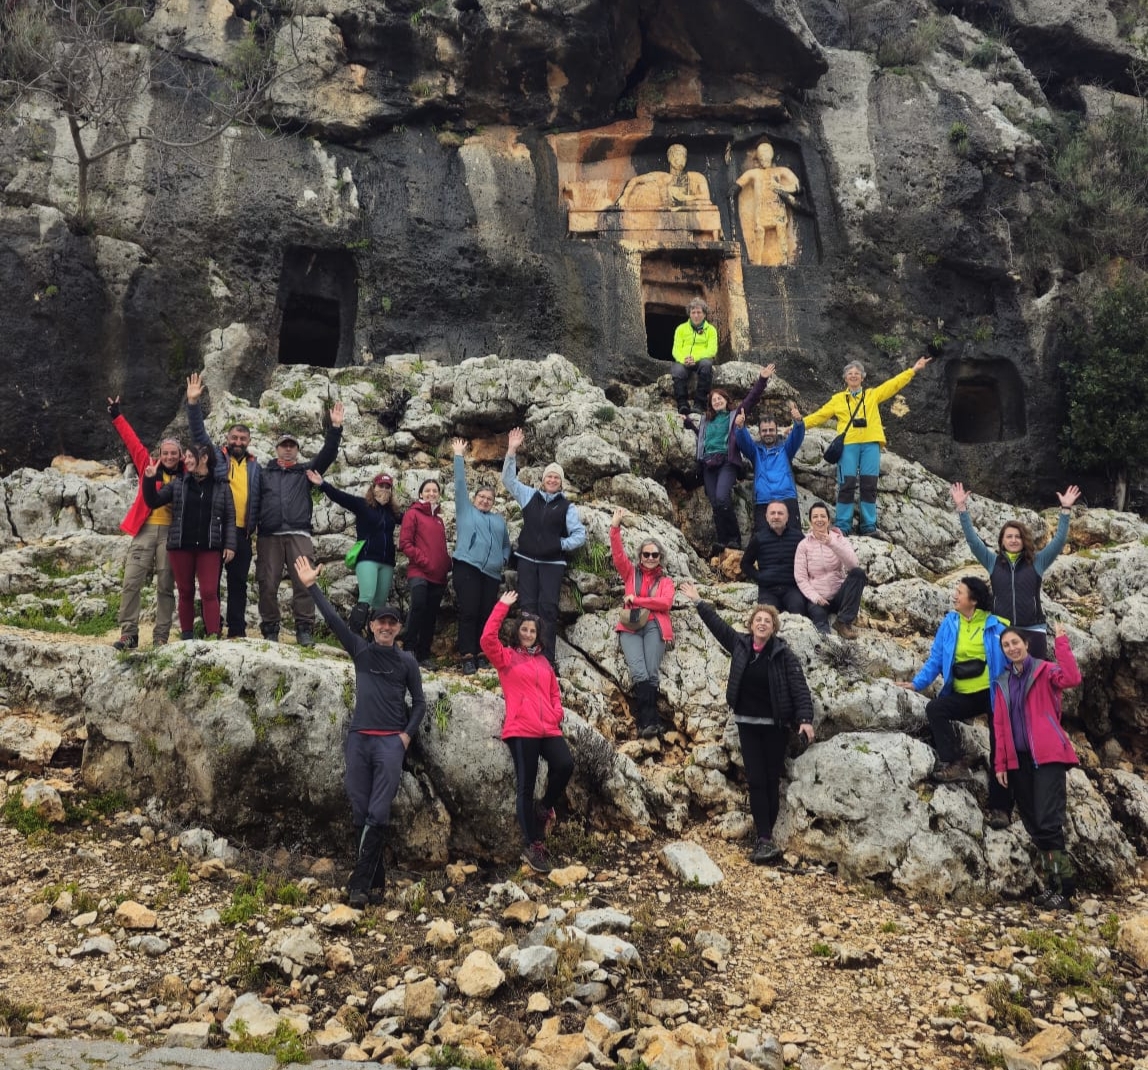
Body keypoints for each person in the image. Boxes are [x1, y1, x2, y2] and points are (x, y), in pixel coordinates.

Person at [293, 556, 424, 908]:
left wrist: (405, 736)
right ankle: (375, 879)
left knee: (378, 812)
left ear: (398, 629)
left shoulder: (407, 661)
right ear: (372, 627)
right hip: (359, 739)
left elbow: (420, 703)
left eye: (391, 623)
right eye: (381, 622)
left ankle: (358, 887)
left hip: (390, 743)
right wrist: (312, 586)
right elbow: (334, 620)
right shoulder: (361, 652)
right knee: (359, 809)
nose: (385, 627)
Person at [680, 581, 815, 864]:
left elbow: (799, 687)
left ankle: (767, 838)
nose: (762, 623)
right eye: (758, 620)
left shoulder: (783, 653)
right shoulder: (740, 645)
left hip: (776, 726)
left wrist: (805, 719)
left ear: (774, 627)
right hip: (747, 723)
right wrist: (698, 601)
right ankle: (764, 838)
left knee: (770, 779)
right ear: (751, 624)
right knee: (755, 780)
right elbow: (718, 626)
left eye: (767, 620)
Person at [896, 576, 1012, 828]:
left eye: (959, 592)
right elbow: (936, 658)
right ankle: (956, 762)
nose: (954, 596)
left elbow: (1015, 658)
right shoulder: (950, 623)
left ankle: (1000, 809)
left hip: (993, 694)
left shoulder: (997, 626)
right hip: (962, 693)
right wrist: (917, 683)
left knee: (1000, 747)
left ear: (973, 600)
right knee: (935, 708)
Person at [481, 590, 573, 875]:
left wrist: (556, 713)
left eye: (533, 630)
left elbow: (554, 692)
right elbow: (486, 640)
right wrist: (502, 606)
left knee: (565, 765)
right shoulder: (506, 658)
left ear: (538, 634)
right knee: (526, 785)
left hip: (548, 728)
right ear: (517, 632)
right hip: (522, 730)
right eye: (524, 629)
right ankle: (533, 844)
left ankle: (544, 808)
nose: (529, 634)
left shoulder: (544, 661)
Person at [993, 622, 1082, 908]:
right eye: (1006, 645)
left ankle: (1065, 890)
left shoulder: (1044, 671)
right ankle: (1053, 884)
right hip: (1018, 762)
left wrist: (1062, 641)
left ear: (1026, 644)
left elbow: (1072, 677)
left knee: (1048, 821)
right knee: (1033, 823)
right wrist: (1001, 764)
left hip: (1048, 757)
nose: (1012, 648)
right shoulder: (1002, 682)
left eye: (1015, 642)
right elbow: (999, 727)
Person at [950, 482, 1082, 659]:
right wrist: (961, 508)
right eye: (1009, 536)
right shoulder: (993, 562)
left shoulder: (1037, 562)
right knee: (1005, 683)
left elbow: (1058, 541)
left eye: (1018, 536)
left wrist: (1065, 509)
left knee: (1034, 682)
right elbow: (973, 542)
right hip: (1002, 631)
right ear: (1002, 541)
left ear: (1024, 540)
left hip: (1033, 630)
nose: (1013, 540)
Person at [804, 356, 932, 535]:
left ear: (863, 378)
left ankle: (868, 525)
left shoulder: (872, 395)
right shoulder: (838, 399)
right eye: (850, 373)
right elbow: (820, 415)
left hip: (871, 443)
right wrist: (798, 426)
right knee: (846, 483)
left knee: (869, 484)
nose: (854, 376)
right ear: (845, 378)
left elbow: (893, 384)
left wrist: (914, 369)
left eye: (857, 373)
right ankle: (843, 525)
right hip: (848, 444)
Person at [255, 403, 344, 646]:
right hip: (269, 535)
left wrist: (335, 427)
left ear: (297, 450)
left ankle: (304, 629)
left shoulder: (305, 471)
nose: (287, 450)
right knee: (267, 583)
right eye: (284, 446)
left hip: (299, 534)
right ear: (276, 449)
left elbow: (328, 454)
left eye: (291, 446)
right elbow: (252, 501)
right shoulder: (263, 474)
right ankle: (270, 628)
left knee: (304, 582)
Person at [501, 428, 587, 666]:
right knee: (527, 608)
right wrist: (512, 450)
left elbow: (580, 534)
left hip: (552, 564)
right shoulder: (529, 496)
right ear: (543, 479)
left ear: (561, 483)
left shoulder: (566, 506)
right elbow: (508, 480)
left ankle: (546, 660)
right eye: (549, 476)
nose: (551, 480)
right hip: (527, 560)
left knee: (547, 610)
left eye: (556, 478)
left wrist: (559, 543)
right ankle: (523, 655)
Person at [186, 373, 260, 639]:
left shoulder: (255, 467)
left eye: (243, 438)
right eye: (234, 437)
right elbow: (199, 434)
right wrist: (193, 404)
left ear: (249, 442)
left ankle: (237, 631)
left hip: (242, 533)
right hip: (215, 531)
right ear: (227, 439)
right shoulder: (217, 458)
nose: (238, 442)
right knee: (211, 584)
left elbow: (261, 498)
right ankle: (211, 628)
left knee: (238, 584)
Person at [107, 397, 182, 650]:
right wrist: (117, 415)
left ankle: (161, 636)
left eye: (174, 453)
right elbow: (132, 441)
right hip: (145, 529)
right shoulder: (147, 465)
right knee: (131, 581)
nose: (169, 457)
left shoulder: (185, 475)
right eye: (166, 453)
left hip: (171, 533)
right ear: (159, 454)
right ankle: (129, 634)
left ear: (180, 456)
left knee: (165, 585)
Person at [141, 444, 236, 639]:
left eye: (192, 457)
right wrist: (149, 480)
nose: (187, 460)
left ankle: (213, 636)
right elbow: (153, 501)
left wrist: (230, 544)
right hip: (181, 546)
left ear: (205, 458)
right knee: (185, 592)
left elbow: (229, 518)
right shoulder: (179, 483)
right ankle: (187, 636)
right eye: (188, 457)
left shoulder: (221, 486)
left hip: (210, 547)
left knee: (209, 592)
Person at [685, 364, 772, 553]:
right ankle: (723, 540)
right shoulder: (707, 420)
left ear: (726, 400)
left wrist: (762, 380)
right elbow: (702, 437)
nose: (716, 401)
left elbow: (751, 399)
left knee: (722, 498)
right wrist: (689, 424)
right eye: (713, 400)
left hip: (726, 461)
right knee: (715, 503)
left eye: (719, 398)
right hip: (708, 463)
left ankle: (734, 538)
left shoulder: (734, 415)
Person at [306, 469, 402, 636]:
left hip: (387, 562)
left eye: (388, 487)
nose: (384, 490)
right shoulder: (362, 505)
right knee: (366, 597)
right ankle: (352, 637)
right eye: (381, 486)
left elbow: (411, 519)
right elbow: (341, 497)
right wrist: (322, 484)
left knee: (379, 604)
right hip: (367, 559)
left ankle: (374, 642)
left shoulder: (392, 512)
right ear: (373, 487)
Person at [610, 508, 676, 739]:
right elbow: (618, 555)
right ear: (640, 557)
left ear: (660, 558)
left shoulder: (666, 581)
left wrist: (636, 599)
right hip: (630, 626)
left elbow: (665, 603)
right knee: (639, 671)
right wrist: (615, 527)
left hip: (655, 625)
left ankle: (647, 723)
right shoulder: (630, 573)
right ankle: (649, 722)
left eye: (654, 555)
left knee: (651, 672)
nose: (650, 558)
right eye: (646, 554)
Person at [451, 439, 511, 675]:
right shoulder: (466, 511)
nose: (485, 500)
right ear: (475, 499)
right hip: (467, 567)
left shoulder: (498, 521)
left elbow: (507, 546)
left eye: (489, 499)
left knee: (486, 614)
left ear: (493, 503)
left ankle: (482, 653)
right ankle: (467, 655)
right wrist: (458, 456)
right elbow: (459, 485)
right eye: (481, 497)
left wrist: (503, 560)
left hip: (491, 574)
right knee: (469, 611)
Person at [794, 502, 866, 638]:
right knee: (820, 621)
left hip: (839, 595)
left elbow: (853, 564)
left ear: (829, 520)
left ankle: (843, 623)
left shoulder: (838, 539)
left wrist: (831, 543)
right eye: (815, 517)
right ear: (810, 522)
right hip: (819, 597)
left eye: (823, 516)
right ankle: (827, 644)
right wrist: (815, 597)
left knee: (859, 574)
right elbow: (801, 578)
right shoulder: (803, 545)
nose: (819, 519)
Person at [398, 478, 450, 667]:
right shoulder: (413, 513)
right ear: (420, 494)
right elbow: (405, 543)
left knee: (431, 615)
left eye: (435, 491)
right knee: (418, 606)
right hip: (419, 571)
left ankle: (424, 654)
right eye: (427, 490)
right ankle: (409, 649)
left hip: (439, 575)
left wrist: (446, 564)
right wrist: (424, 561)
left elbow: (440, 547)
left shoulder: (439, 519)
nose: (431, 493)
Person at [735, 402, 805, 531]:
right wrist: (740, 427)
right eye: (764, 431)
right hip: (763, 499)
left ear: (776, 430)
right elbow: (744, 442)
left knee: (793, 538)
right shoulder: (755, 451)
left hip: (787, 497)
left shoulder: (786, 448)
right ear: (760, 432)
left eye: (771, 430)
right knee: (762, 539)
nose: (768, 433)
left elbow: (797, 437)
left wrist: (798, 422)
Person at [731, 140, 802, 267]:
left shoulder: (780, 171)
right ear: (758, 158)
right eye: (761, 157)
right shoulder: (755, 173)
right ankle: (757, 262)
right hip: (761, 209)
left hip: (777, 207)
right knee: (759, 231)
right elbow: (741, 181)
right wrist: (734, 189)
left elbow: (797, 185)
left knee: (781, 231)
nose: (764, 159)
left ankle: (784, 260)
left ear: (771, 155)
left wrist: (781, 188)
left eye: (766, 155)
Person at [741, 501, 805, 615]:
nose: (776, 517)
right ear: (766, 516)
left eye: (780, 513)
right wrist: (759, 577)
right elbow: (745, 564)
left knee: (798, 610)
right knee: (766, 615)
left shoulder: (798, 537)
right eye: (772, 513)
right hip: (768, 590)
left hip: (792, 588)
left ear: (787, 516)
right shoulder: (759, 538)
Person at [670, 298, 720, 415]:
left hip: (700, 360)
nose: (696, 315)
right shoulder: (681, 329)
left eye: (699, 312)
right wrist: (684, 359)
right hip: (684, 361)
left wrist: (695, 358)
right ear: (689, 314)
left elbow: (712, 350)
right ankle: (682, 404)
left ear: (704, 314)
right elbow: (676, 349)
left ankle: (700, 404)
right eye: (693, 312)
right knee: (677, 370)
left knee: (706, 364)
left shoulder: (711, 330)